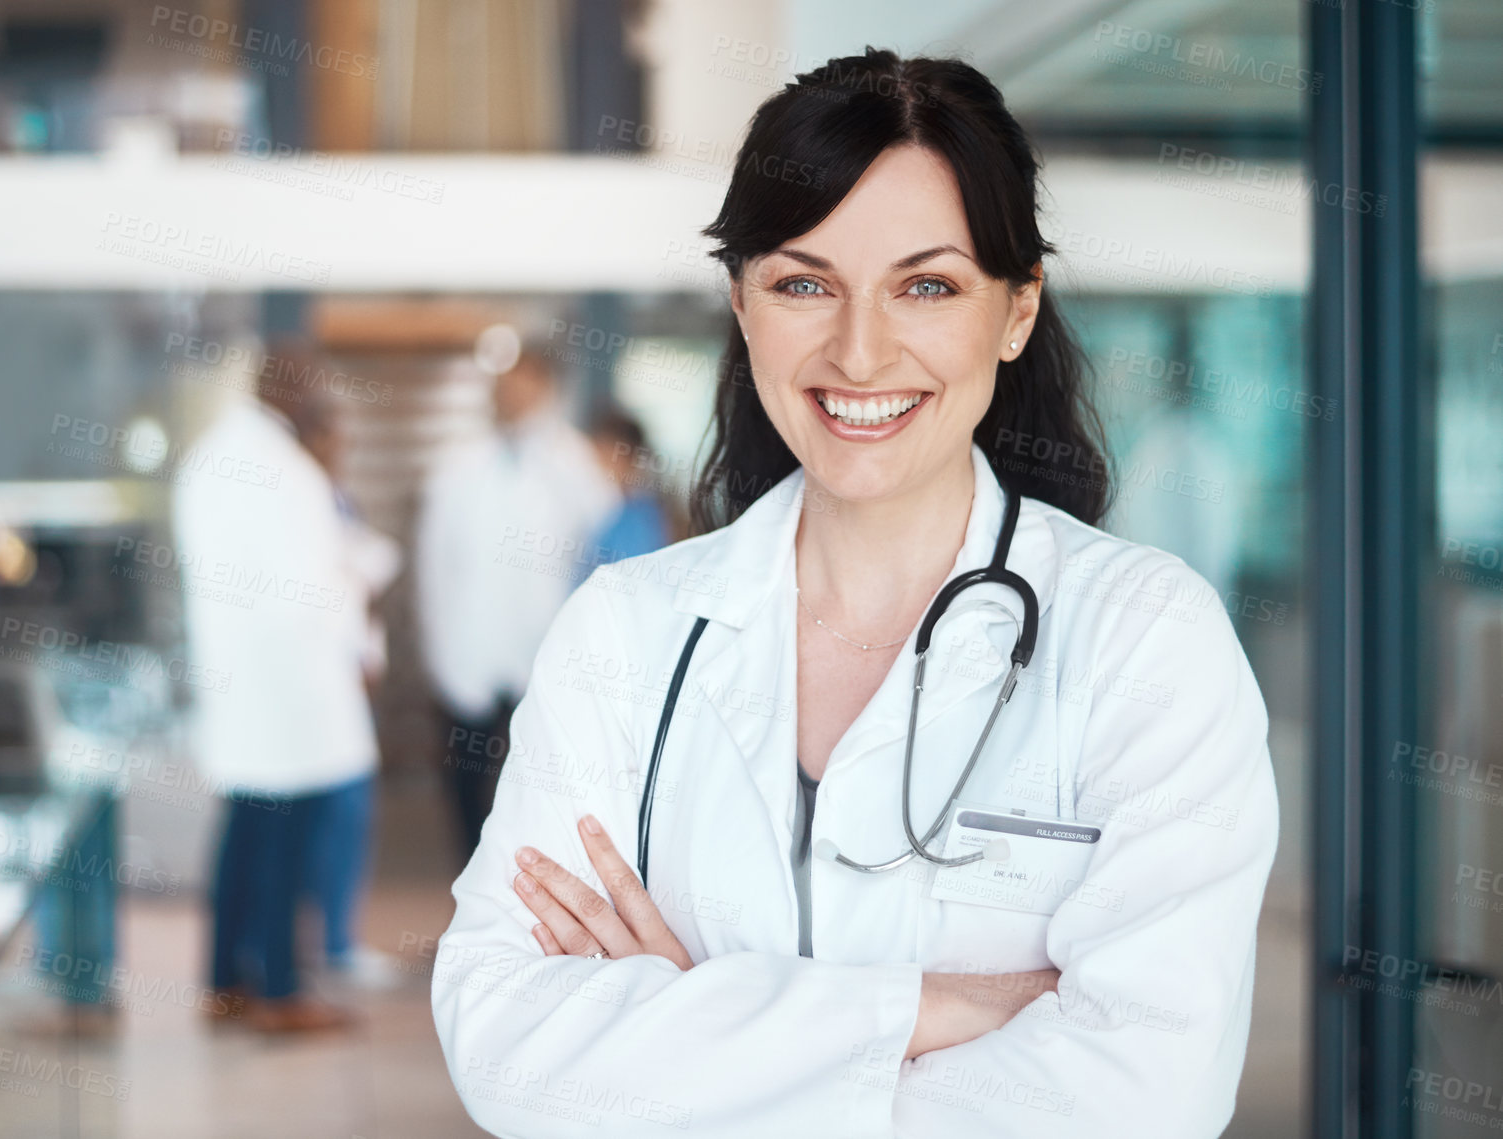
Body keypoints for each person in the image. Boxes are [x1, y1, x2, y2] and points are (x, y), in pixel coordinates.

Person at [432, 51, 1279, 1137]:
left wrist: (692, 1031)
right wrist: (931, 1007)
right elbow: (506, 1040)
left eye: (924, 285)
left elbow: (1142, 1095)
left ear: (1015, 310)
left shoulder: (1144, 641)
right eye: (802, 283)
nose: (859, 349)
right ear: (741, 304)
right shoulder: (623, 627)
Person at [173, 341, 375, 1033]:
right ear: (287, 388)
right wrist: (358, 631)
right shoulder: (285, 469)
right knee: (287, 842)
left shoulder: (209, 456)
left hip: (241, 686)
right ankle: (282, 991)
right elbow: (315, 588)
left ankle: (225, 980)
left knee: (245, 833)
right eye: (314, 383)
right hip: (291, 690)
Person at [415, 349, 619, 863]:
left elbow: (605, 549)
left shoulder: (572, 460)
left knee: (543, 789)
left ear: (546, 391)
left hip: (545, 654)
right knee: (467, 788)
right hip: (468, 656)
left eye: (521, 388)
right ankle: (471, 894)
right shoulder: (460, 462)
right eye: (501, 389)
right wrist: (438, 652)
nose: (508, 399)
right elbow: (434, 561)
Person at [298, 392, 405, 989]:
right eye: (330, 439)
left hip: (343, 677)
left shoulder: (337, 501)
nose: (340, 451)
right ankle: (325, 943)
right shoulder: (299, 503)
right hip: (314, 682)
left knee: (345, 812)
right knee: (326, 813)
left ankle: (336, 939)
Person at [577, 407, 673, 584]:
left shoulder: (641, 520)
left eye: (606, 454)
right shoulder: (592, 506)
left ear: (630, 459)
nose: (597, 463)